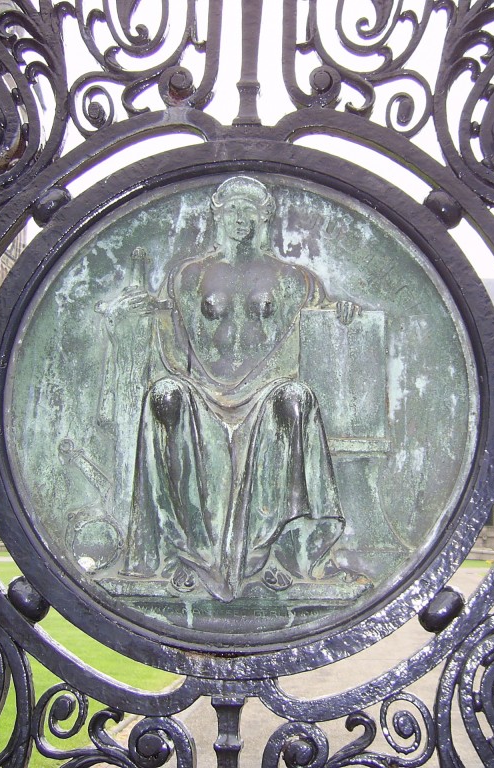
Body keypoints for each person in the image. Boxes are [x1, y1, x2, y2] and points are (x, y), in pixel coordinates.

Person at [97, 176, 360, 602]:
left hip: (266, 389)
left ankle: (280, 551)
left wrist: (342, 310)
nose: (241, 218)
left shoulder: (294, 277)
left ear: (264, 219)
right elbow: (158, 319)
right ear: (218, 215)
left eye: (250, 211)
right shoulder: (188, 275)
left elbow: (321, 318)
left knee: (296, 399)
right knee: (164, 396)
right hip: (200, 389)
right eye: (234, 209)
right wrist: (125, 313)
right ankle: (185, 552)